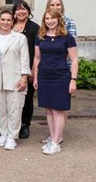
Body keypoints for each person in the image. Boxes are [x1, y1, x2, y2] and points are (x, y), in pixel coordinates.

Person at [33, 9, 78, 155]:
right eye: (47, 18)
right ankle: (52, 138)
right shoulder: (40, 37)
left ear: (59, 19)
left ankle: (56, 142)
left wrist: (73, 80)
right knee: (49, 109)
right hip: (44, 77)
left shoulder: (67, 37)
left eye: (52, 18)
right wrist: (35, 77)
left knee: (58, 109)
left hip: (61, 77)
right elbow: (37, 58)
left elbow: (74, 60)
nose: (50, 21)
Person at [0, 10, 30, 151]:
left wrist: (24, 78)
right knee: (1, 109)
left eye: (8, 20)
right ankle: (3, 134)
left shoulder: (19, 38)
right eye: (2, 20)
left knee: (15, 109)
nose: (5, 22)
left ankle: (12, 137)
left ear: (12, 22)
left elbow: (25, 58)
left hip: (15, 79)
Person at [12, 0, 40, 139]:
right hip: (11, 69)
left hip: (28, 69)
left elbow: (37, 53)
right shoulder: (9, 26)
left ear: (28, 12)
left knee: (27, 99)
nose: (21, 11)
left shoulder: (35, 28)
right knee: (13, 99)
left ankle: (25, 125)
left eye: (24, 9)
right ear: (14, 12)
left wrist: (33, 71)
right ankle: (13, 124)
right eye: (18, 9)